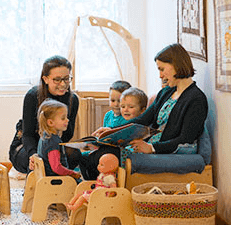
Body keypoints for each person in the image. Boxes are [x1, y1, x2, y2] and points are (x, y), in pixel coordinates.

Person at [80, 43, 208, 179]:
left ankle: (100, 188)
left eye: (162, 69)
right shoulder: (166, 92)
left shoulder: (196, 99)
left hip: (164, 150)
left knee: (104, 157)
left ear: (176, 65)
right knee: (96, 152)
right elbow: (143, 120)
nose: (160, 75)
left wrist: (151, 148)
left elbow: (185, 139)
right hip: (148, 144)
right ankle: (97, 188)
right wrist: (112, 131)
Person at [9, 55, 81, 175]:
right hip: (27, 146)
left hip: (53, 144)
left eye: (66, 79)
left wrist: (52, 150)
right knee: (37, 161)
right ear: (45, 79)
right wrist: (34, 154)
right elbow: (27, 135)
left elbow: (68, 133)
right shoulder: (33, 96)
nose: (63, 84)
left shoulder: (73, 99)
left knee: (75, 155)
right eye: (57, 80)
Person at [36, 99, 81, 180]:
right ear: (50, 122)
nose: (67, 120)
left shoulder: (45, 136)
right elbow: (56, 167)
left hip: (50, 178)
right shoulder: (53, 141)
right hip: (56, 180)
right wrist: (72, 173)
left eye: (66, 117)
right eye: (63, 118)